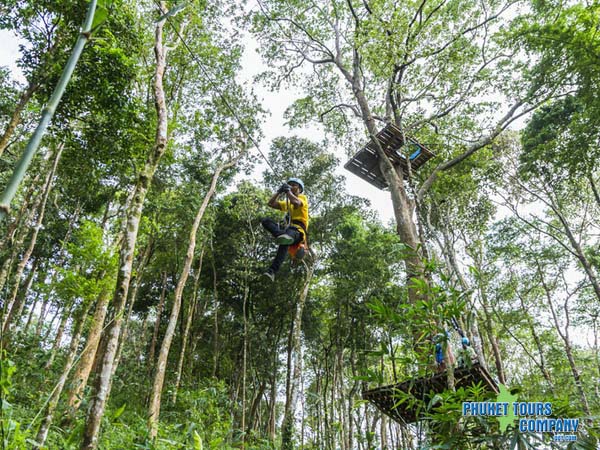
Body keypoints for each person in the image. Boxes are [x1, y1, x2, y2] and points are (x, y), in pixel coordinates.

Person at [261, 178, 309, 281]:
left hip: (297, 231)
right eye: (289, 185)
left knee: (288, 235)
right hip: (288, 232)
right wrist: (279, 191)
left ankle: (283, 237)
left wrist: (287, 191)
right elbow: (271, 203)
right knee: (266, 221)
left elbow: (296, 202)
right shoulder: (288, 202)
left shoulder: (302, 198)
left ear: (299, 189)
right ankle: (271, 272)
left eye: (294, 185)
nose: (291, 186)